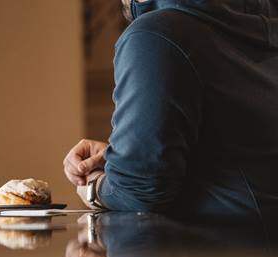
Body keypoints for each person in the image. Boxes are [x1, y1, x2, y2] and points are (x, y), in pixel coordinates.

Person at [63, 0, 278, 226]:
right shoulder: (259, 26)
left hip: (217, 252)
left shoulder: (156, 35)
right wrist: (123, 159)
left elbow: (139, 190)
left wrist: (96, 186)